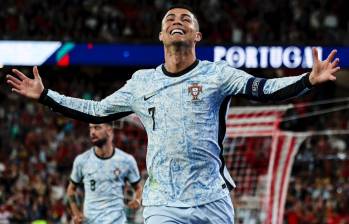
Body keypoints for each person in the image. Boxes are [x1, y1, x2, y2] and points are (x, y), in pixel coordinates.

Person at [6, 5, 340, 224]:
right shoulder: (142, 83)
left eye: (185, 19)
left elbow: (263, 89)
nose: (176, 21)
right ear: (162, 36)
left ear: (197, 36)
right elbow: (96, 110)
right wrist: (46, 96)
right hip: (163, 202)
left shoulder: (218, 75)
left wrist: (307, 80)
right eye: (170, 19)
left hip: (212, 200)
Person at [66, 123, 142, 224]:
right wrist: (76, 213)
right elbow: (71, 189)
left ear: (109, 130)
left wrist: (137, 200)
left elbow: (138, 188)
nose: (92, 132)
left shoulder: (126, 160)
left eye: (97, 127)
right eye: (91, 128)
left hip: (117, 221)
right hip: (90, 221)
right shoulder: (82, 160)